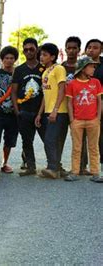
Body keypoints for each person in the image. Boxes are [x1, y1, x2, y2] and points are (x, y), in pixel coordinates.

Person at [11, 38, 46, 176]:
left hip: (41, 111)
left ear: (37, 49)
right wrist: (17, 111)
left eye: (31, 49)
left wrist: (42, 111)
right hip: (24, 111)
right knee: (27, 141)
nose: (28, 52)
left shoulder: (44, 68)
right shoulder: (19, 70)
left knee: (47, 139)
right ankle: (30, 167)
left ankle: (54, 166)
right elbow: (13, 92)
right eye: (25, 49)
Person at [65, 57, 103, 182]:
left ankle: (95, 172)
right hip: (77, 120)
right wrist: (72, 119)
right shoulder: (72, 84)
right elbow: (69, 102)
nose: (94, 68)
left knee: (94, 147)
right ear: (83, 68)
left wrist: (98, 118)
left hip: (93, 120)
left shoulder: (96, 82)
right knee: (77, 147)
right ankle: (75, 172)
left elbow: (99, 101)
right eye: (91, 66)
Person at [36, 43, 69, 179]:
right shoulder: (45, 71)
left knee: (50, 140)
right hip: (47, 111)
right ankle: (56, 168)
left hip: (59, 111)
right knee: (52, 140)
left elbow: (62, 89)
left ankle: (53, 168)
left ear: (53, 56)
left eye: (44, 55)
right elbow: (45, 94)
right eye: (41, 54)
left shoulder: (59, 69)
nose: (41, 57)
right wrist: (39, 113)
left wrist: (55, 110)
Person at [62, 37, 90, 175]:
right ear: (65, 49)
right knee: (59, 138)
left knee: (80, 139)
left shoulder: (84, 67)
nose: (71, 50)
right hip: (63, 107)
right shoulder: (60, 67)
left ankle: (81, 166)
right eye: (69, 48)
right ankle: (57, 165)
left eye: (74, 48)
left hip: (80, 108)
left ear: (79, 50)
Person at [0, 46, 19, 173]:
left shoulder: (18, 74)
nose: (9, 60)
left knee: (9, 140)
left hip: (13, 113)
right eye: (6, 58)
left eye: (11, 58)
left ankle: (5, 163)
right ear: (2, 59)